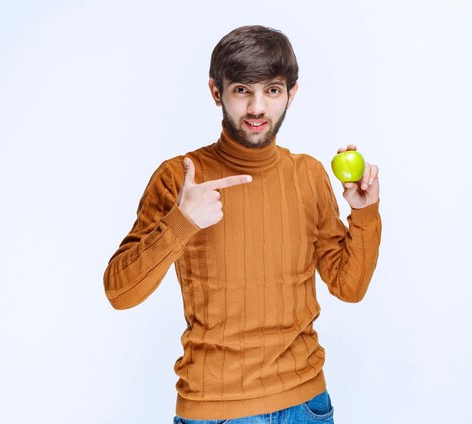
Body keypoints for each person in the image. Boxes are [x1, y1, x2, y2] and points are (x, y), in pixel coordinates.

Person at [104, 25, 382, 423]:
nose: (256, 109)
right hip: (215, 411)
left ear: (291, 93)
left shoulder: (308, 174)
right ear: (217, 92)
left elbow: (349, 287)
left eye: (271, 90)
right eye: (241, 91)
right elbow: (119, 292)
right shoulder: (180, 177)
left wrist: (364, 213)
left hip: (307, 406)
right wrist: (181, 223)